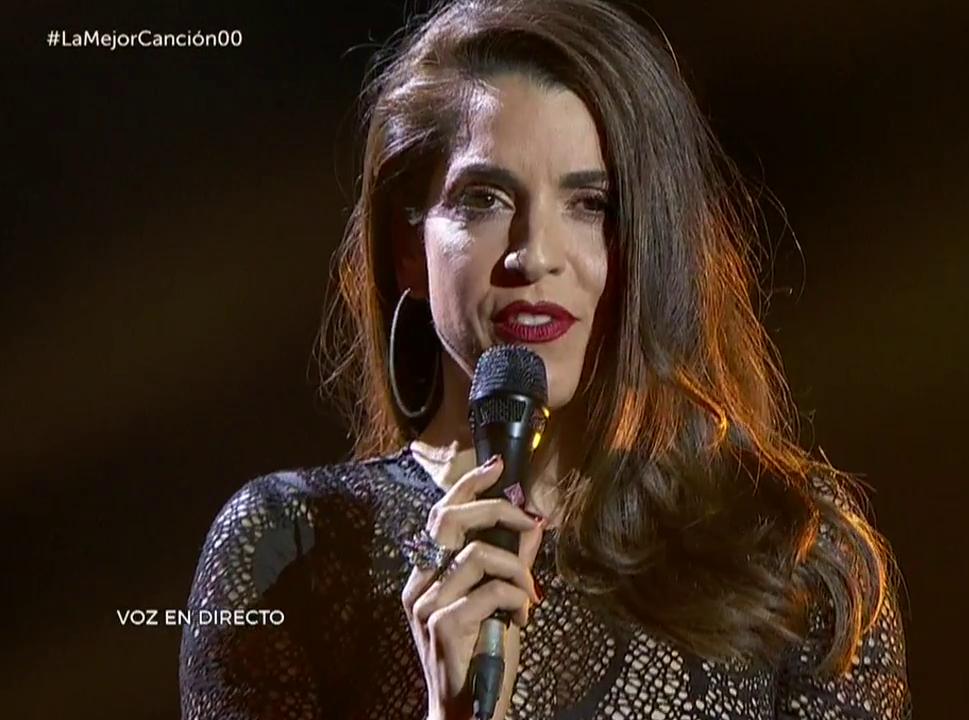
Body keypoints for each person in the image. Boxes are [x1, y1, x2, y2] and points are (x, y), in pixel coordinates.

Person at [178, 0, 911, 718]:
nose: (534, 255)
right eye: (485, 199)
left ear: (652, 242)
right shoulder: (286, 552)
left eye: (591, 205)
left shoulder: (792, 553)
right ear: (408, 246)